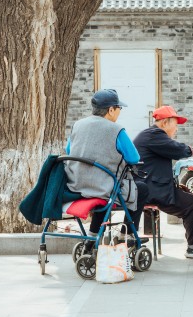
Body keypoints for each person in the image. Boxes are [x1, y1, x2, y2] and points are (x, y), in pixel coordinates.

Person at [64, 89, 149, 246]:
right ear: (111, 110)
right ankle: (128, 234)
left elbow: (69, 151)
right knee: (141, 188)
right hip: (103, 189)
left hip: (76, 186)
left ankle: (93, 234)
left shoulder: (78, 125)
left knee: (106, 187)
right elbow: (134, 158)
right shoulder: (116, 130)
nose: (119, 112)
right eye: (119, 108)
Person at [134, 105, 193, 259]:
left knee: (192, 201)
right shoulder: (155, 135)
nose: (177, 129)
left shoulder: (151, 135)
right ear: (165, 122)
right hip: (153, 189)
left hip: (153, 185)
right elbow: (176, 149)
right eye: (175, 124)